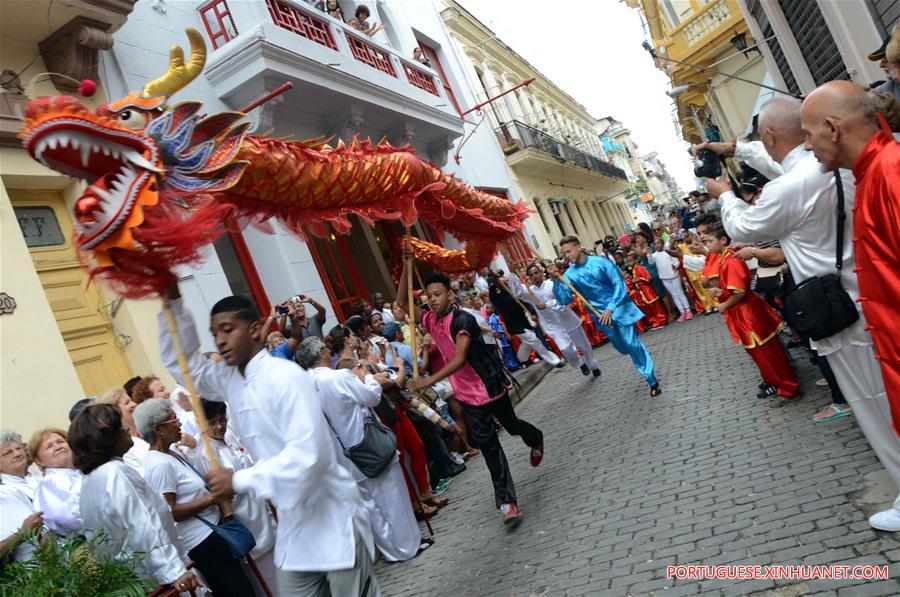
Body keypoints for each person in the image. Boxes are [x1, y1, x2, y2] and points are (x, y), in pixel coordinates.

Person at [158, 288, 378, 595]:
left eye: (227, 330)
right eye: (214, 334)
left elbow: (308, 456)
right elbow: (183, 365)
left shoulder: (285, 376)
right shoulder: (230, 379)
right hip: (295, 528)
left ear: (253, 329)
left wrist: (238, 479)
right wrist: (172, 302)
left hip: (332, 515)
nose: (220, 341)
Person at [801, 80, 900, 530]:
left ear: (833, 128)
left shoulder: (891, 172)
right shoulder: (873, 172)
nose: (807, 146)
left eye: (809, 134)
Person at [396, 256, 543, 525]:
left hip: (490, 386)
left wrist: (427, 382)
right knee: (489, 447)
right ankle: (507, 502)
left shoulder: (463, 320)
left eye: (437, 294)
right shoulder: (430, 320)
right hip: (467, 397)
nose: (432, 300)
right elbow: (402, 303)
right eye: (428, 296)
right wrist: (406, 267)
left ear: (450, 295)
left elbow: (459, 359)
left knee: (512, 426)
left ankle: (535, 437)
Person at [297, 337, 423, 562]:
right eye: (325, 349)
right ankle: (406, 546)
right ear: (322, 354)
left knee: (370, 507)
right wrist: (368, 377)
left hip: (343, 455)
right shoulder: (338, 377)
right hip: (367, 443)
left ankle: (391, 551)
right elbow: (372, 397)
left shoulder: (304, 386)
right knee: (392, 497)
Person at [69, 404, 201, 593]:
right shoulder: (116, 473)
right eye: (120, 428)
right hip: (160, 582)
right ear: (109, 439)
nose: (127, 430)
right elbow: (143, 524)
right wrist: (175, 571)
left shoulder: (91, 481)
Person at [135, 398, 256, 596]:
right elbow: (170, 511)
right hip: (202, 542)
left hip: (213, 533)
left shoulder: (171, 453)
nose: (180, 423)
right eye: (173, 420)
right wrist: (211, 499)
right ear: (158, 430)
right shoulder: (159, 465)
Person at [700, 225, 799, 401]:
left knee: (768, 353)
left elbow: (740, 293)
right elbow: (733, 290)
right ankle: (778, 384)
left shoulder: (730, 260)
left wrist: (724, 305)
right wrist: (721, 293)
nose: (707, 245)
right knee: (761, 355)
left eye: (709, 241)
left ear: (723, 240)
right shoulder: (724, 258)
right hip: (743, 313)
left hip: (749, 314)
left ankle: (788, 387)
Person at [554, 236, 661, 397]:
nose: (566, 256)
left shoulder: (601, 262)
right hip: (601, 318)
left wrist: (611, 308)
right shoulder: (569, 275)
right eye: (564, 253)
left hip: (619, 309)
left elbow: (619, 284)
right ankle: (638, 359)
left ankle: (651, 379)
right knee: (622, 347)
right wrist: (557, 281)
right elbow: (564, 299)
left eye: (568, 251)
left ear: (578, 247)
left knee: (632, 344)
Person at [201, 399, 277, 592]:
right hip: (249, 528)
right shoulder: (206, 455)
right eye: (212, 422)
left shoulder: (230, 439)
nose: (219, 426)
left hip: (265, 518)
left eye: (222, 420)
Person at [507, 261, 601, 376]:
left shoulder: (552, 285)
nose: (534, 276)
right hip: (553, 327)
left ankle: (593, 365)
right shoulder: (529, 291)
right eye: (531, 275)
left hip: (568, 321)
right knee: (566, 348)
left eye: (536, 273)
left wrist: (547, 305)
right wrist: (512, 274)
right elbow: (517, 292)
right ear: (529, 278)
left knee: (584, 346)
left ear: (541, 273)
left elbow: (563, 300)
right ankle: (580, 363)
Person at [488, 272, 562, 367]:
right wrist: (495, 279)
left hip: (524, 322)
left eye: (507, 282)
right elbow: (492, 293)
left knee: (527, 342)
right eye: (503, 283)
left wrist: (533, 313)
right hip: (515, 326)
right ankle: (555, 361)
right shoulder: (498, 298)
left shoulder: (514, 293)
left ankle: (522, 358)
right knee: (534, 340)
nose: (506, 284)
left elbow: (527, 304)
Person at [28, 428, 83, 537]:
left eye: (61, 441)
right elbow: (70, 519)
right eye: (49, 446)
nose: (58, 447)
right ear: (39, 461)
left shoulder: (82, 471)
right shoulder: (48, 485)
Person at [97, 387, 150, 475]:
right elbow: (140, 475)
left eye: (131, 400)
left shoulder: (144, 430)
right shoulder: (123, 447)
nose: (134, 404)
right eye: (127, 403)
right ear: (115, 412)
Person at [650, 236, 693, 321]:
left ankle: (688, 310)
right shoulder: (654, 255)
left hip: (674, 275)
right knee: (674, 295)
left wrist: (675, 265)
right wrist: (648, 253)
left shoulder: (668, 252)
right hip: (664, 278)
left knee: (680, 293)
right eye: (655, 244)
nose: (657, 245)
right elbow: (650, 261)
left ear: (662, 244)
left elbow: (676, 261)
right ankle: (682, 312)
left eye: (658, 243)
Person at [624, 253, 668, 330]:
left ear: (636, 260)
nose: (629, 263)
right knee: (649, 307)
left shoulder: (640, 268)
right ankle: (655, 321)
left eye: (630, 261)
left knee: (655, 306)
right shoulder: (633, 269)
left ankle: (661, 319)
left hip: (648, 291)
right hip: (642, 292)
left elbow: (647, 278)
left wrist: (638, 279)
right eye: (628, 262)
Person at [0, 431, 39, 501]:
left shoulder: (37, 479)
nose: (17, 454)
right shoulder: (3, 491)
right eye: (8, 452)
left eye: (18, 448)